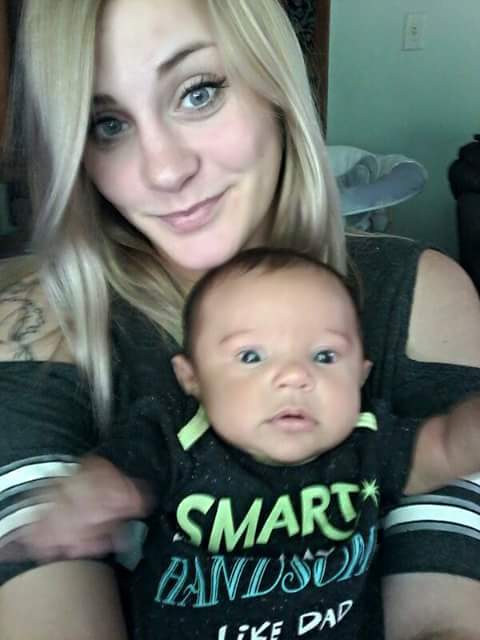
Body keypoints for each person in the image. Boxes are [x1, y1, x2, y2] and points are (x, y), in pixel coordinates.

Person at [0, 0, 479, 638]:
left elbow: (444, 613)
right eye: (106, 124)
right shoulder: (33, 332)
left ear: (274, 82)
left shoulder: (420, 296)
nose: (165, 170)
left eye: (198, 92)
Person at [18, 247, 480, 640]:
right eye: (251, 356)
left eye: (324, 355)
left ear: (360, 374)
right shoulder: (174, 438)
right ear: (192, 377)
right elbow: (117, 470)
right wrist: (93, 494)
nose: (294, 376)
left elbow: (443, 448)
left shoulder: (370, 441)